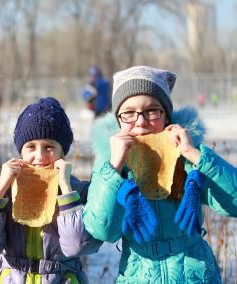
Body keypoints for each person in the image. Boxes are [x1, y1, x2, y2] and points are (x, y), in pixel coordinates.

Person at [82, 65, 237, 283]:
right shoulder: (112, 164)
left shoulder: (187, 156)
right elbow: (102, 230)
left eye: (152, 110)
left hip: (196, 275)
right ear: (118, 120)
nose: (141, 121)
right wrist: (114, 168)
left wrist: (195, 155)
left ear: (166, 116)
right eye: (128, 113)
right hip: (138, 275)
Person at [0, 97, 102, 283]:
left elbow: (79, 246)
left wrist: (66, 191)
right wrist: (0, 191)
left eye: (49, 147)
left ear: (62, 152)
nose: (39, 156)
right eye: (31, 147)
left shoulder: (77, 191)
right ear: (21, 152)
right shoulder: (5, 189)